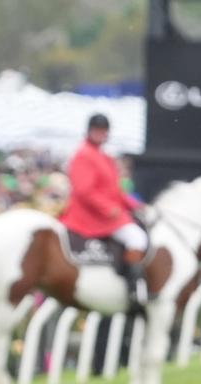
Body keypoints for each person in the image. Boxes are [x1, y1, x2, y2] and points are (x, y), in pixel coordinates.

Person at [58, 113, 147, 311]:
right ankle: (134, 288)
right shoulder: (83, 155)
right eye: (97, 130)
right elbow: (83, 190)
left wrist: (135, 205)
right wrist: (110, 209)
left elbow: (115, 190)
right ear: (89, 131)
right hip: (91, 216)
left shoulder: (104, 156)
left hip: (107, 212)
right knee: (137, 238)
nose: (100, 134)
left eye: (103, 131)